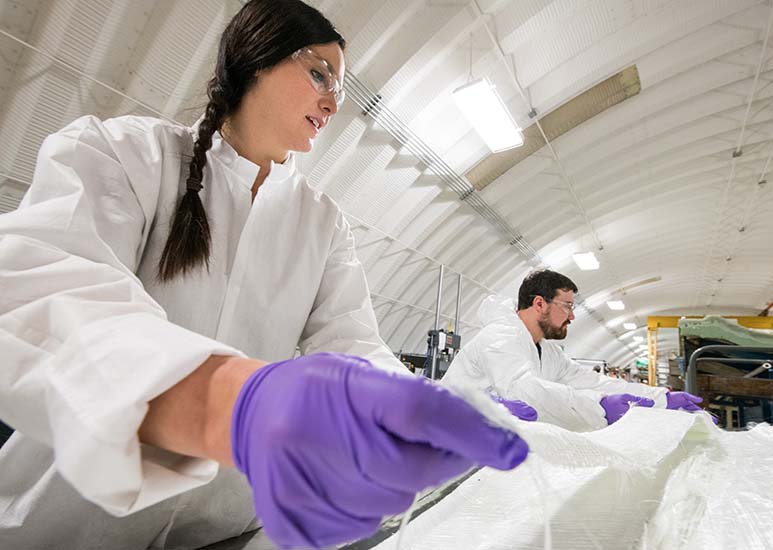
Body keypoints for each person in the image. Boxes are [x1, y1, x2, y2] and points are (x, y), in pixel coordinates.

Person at [0, 2, 529, 549]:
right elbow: (45, 289)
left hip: (227, 527)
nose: (331, 101)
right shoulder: (127, 155)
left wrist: (405, 409)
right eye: (319, 73)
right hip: (73, 524)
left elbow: (350, 345)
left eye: (340, 92)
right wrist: (226, 402)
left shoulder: (321, 223)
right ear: (256, 59)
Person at [441, 269, 704, 431]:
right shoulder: (500, 338)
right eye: (567, 306)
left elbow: (590, 380)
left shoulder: (547, 351)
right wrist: (597, 406)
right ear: (540, 304)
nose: (573, 316)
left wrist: (661, 398)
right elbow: (524, 391)